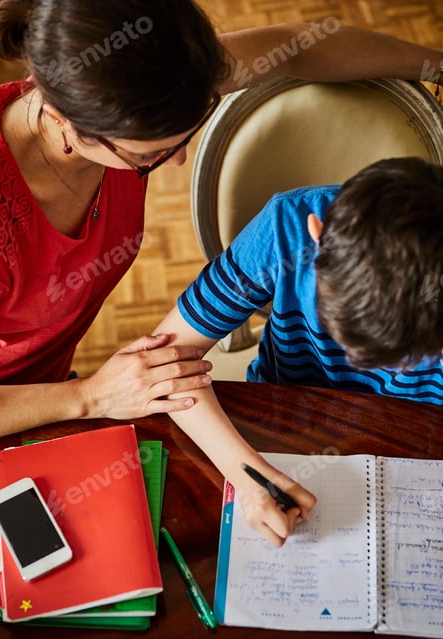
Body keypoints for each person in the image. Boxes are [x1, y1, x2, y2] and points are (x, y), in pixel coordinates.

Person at [0, 0, 442, 447]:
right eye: (152, 154)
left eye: (186, 134)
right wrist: (88, 396)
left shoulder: (154, 81)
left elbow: (297, 47)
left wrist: (437, 64)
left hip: (52, 391)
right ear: (63, 121)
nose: (179, 160)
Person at [152, 157, 443, 547]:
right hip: (280, 425)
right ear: (317, 236)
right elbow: (165, 364)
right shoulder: (287, 228)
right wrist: (247, 475)